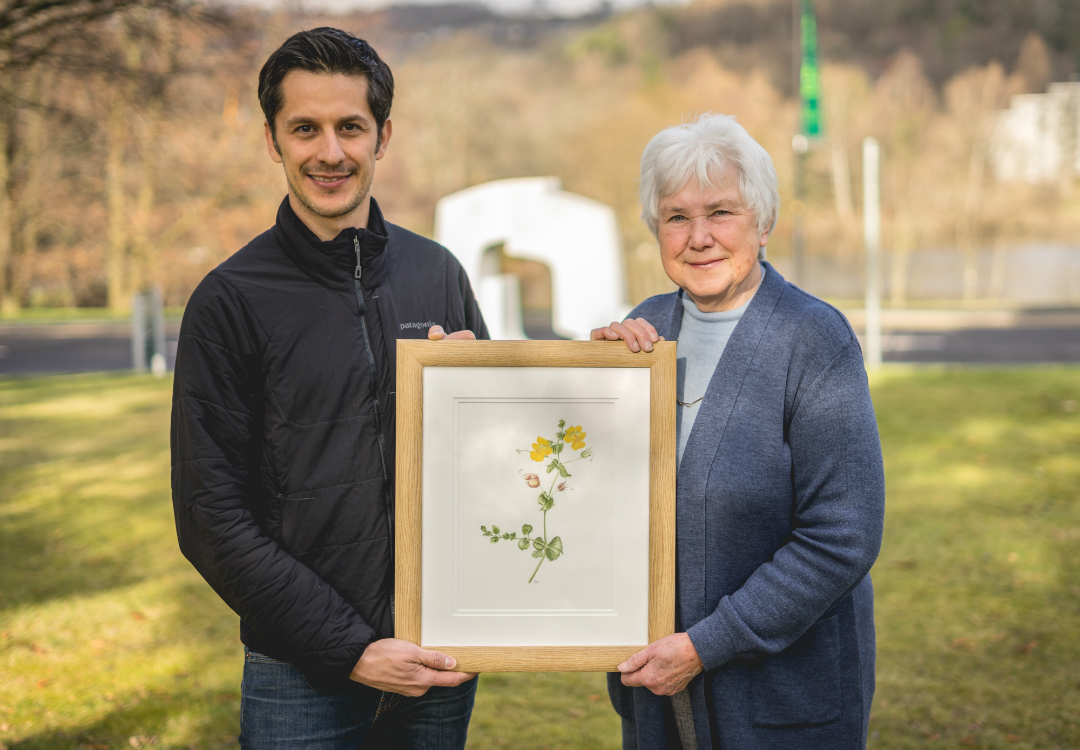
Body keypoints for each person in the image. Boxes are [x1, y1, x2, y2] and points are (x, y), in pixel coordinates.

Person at [170, 28, 486, 749]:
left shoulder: (437, 273)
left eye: (351, 127)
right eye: (304, 129)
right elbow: (209, 514)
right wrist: (350, 649)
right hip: (300, 673)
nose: (331, 152)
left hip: (439, 657)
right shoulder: (229, 299)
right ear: (272, 141)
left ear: (383, 136)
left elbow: (504, 474)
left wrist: (500, 399)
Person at [592, 114, 885, 749]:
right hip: (657, 700)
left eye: (720, 212)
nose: (698, 237)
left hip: (782, 704)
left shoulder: (813, 339)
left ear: (764, 221)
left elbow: (843, 536)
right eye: (676, 217)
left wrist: (704, 646)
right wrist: (594, 390)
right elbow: (591, 502)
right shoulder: (641, 331)